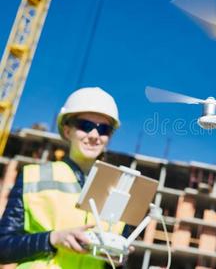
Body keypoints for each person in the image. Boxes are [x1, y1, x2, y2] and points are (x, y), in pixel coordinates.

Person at [0, 87, 126, 268]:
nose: (94, 135)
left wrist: (118, 260)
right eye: (85, 126)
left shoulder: (120, 191)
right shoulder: (32, 177)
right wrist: (52, 239)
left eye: (104, 129)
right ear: (67, 131)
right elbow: (3, 247)